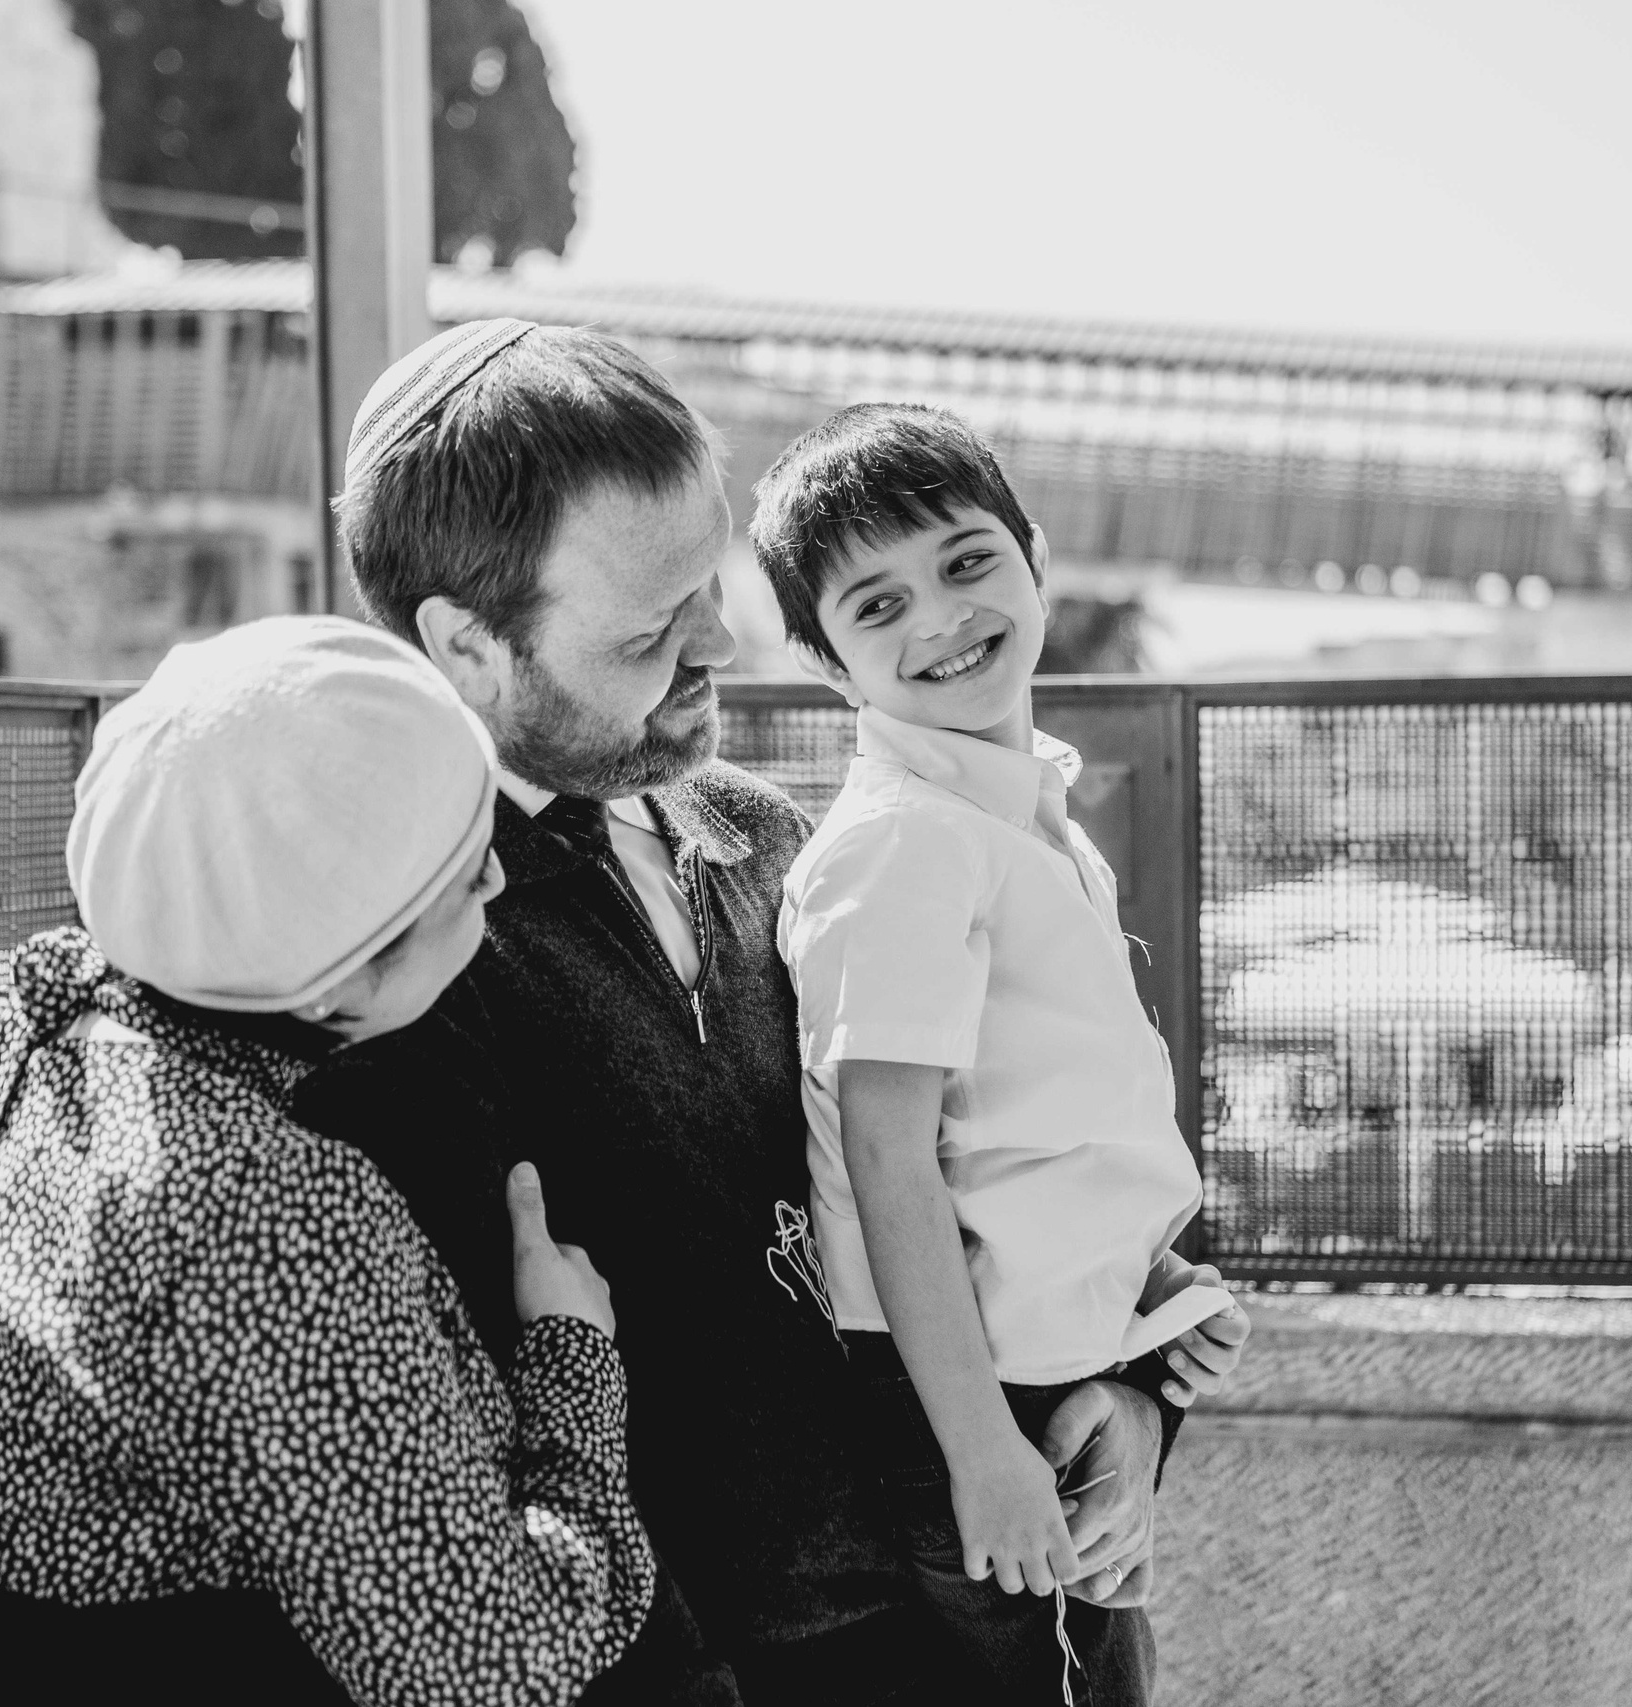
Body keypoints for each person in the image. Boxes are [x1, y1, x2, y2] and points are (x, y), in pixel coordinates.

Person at [296, 320, 1251, 1706]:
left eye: (712, 582)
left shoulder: (772, 832)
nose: (724, 641)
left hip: (991, 1591)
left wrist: (1125, 1398)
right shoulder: (399, 969)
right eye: (649, 624)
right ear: (467, 644)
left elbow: (1009, 1160)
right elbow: (448, 1461)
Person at [0, 616, 653, 1706]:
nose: (494, 883)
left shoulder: (38, 1014)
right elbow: (492, 1661)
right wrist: (573, 1365)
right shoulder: (267, 1212)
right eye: (467, 874)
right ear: (337, 984)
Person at [751, 403, 1235, 1703]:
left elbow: (1035, 1129)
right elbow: (885, 1157)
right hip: (969, 1398)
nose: (940, 619)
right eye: (876, 602)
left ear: (1034, 555)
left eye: (967, 562)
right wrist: (982, 1452)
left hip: (1040, 1371)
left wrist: (1148, 1309)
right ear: (827, 659)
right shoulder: (904, 840)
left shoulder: (1018, 814)